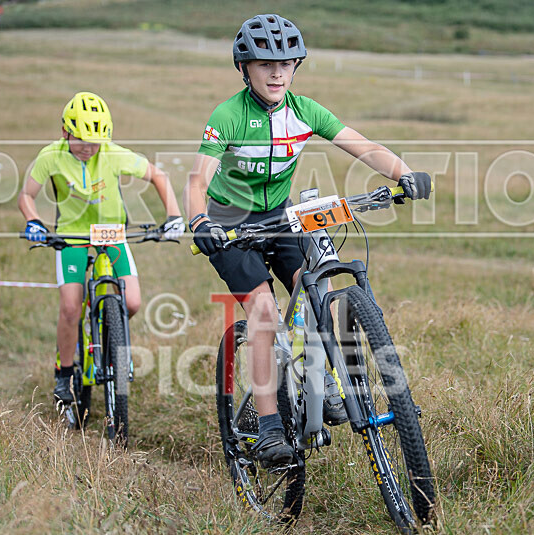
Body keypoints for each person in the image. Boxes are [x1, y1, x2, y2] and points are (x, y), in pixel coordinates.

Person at [185, 14, 431, 467]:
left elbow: (361, 145)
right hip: (229, 222)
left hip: (279, 217)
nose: (276, 72)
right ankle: (271, 427)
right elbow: (198, 178)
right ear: (245, 68)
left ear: (296, 65)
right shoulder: (228, 115)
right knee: (263, 311)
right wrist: (200, 220)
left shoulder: (305, 111)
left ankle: (328, 385)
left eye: (286, 63)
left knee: (320, 285)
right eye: (264, 63)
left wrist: (403, 173)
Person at [19, 91, 185, 403]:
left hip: (112, 233)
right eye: (80, 139)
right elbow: (26, 196)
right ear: (65, 131)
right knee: (70, 307)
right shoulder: (50, 156)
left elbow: (158, 176)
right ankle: (64, 371)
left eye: (94, 142)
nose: (87, 148)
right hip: (71, 235)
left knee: (132, 302)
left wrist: (174, 215)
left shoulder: (112, 153)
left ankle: (111, 342)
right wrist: (34, 221)